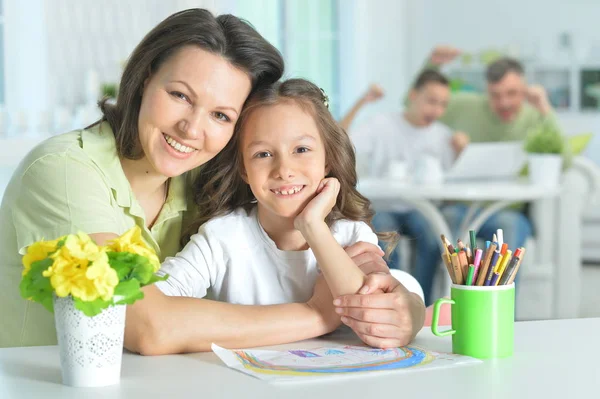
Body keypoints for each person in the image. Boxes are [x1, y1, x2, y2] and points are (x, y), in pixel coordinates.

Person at [131, 79, 426, 355]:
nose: (284, 169)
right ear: (244, 169)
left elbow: (371, 321)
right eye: (262, 154)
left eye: (301, 149)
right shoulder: (223, 237)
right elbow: (146, 306)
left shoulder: (350, 235)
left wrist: (313, 227)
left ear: (328, 161)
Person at [416, 46, 561, 252]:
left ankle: (503, 286)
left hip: (506, 209)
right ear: (486, 90)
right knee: (440, 228)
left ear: (525, 89)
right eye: (495, 95)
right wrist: (433, 64)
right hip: (462, 206)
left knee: (509, 231)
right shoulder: (467, 106)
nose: (504, 103)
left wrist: (544, 107)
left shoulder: (535, 116)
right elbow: (413, 103)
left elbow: (564, 159)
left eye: (512, 93)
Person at [340, 70, 458, 305]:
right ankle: (394, 299)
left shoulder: (444, 136)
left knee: (434, 234)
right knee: (384, 235)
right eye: (431, 101)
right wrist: (362, 101)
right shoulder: (382, 124)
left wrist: (460, 151)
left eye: (443, 104)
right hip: (383, 206)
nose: (436, 110)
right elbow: (339, 139)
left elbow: (451, 179)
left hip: (422, 209)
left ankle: (420, 301)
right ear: (413, 95)